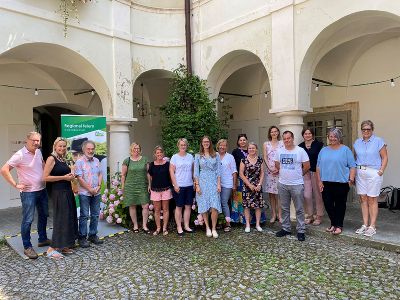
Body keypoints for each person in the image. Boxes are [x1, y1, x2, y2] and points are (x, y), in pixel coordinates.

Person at [1, 132, 50, 259]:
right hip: (29, 193)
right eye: (33, 140)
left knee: (44, 214)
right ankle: (27, 247)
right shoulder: (20, 155)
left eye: (38, 140)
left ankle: (43, 238)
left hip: (42, 190)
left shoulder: (38, 152)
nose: (36, 143)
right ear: (27, 140)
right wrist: (15, 184)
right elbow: (4, 169)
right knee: (28, 219)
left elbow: (43, 164)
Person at [43, 137, 78, 259]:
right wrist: (64, 177)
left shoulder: (62, 159)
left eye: (64, 146)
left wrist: (71, 176)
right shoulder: (51, 158)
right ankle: (51, 249)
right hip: (58, 192)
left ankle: (63, 245)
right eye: (60, 146)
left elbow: (65, 176)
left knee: (68, 217)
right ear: (55, 146)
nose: (62, 148)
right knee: (61, 219)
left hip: (67, 191)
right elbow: (45, 177)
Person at [317, 128, 356, 235]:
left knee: (340, 205)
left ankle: (339, 225)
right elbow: (318, 167)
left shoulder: (345, 150)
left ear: (339, 137)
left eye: (335, 136)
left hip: (341, 183)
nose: (332, 138)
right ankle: (333, 223)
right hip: (326, 183)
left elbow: (352, 166)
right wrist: (319, 181)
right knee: (328, 205)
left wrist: (351, 180)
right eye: (330, 136)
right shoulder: (323, 150)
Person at [353, 120, 388, 237]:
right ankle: (365, 224)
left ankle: (372, 226)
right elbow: (355, 157)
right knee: (363, 198)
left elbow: (385, 157)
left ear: (372, 130)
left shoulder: (379, 141)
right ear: (361, 130)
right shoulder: (357, 142)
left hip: (374, 172)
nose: (366, 131)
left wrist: (381, 171)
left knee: (372, 199)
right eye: (364, 129)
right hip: (360, 171)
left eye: (368, 129)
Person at [275, 131, 310, 241]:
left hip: (297, 184)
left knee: (299, 209)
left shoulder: (300, 151)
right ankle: (286, 228)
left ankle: (301, 230)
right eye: (284, 139)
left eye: (288, 138)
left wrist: (299, 175)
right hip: (283, 184)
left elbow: (307, 166)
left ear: (292, 138)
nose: (287, 140)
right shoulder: (279, 151)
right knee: (285, 208)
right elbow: (277, 164)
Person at [75, 140, 104, 247]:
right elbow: (79, 178)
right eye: (88, 149)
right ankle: (82, 237)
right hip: (84, 194)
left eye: (92, 149)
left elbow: (100, 173)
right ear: (83, 149)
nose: (91, 151)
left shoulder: (97, 160)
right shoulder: (79, 162)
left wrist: (99, 186)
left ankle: (92, 235)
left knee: (95, 215)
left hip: (96, 193)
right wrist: (90, 189)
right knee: (84, 215)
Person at [194, 136, 222, 238]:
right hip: (202, 182)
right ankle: (207, 227)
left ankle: (214, 228)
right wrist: (197, 185)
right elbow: (196, 172)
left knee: (214, 206)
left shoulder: (216, 155)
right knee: (204, 206)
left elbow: (219, 171)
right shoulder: (198, 156)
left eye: (207, 142)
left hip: (213, 181)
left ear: (210, 143)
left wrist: (219, 184)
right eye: (204, 142)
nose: (206, 143)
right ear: (201, 143)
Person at [121, 142, 150, 234]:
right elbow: (123, 175)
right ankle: (135, 225)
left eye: (138, 148)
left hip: (142, 185)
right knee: (132, 205)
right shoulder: (127, 160)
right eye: (135, 148)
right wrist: (123, 186)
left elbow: (148, 173)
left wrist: (150, 184)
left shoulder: (145, 159)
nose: (136, 150)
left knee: (145, 205)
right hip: (130, 186)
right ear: (131, 150)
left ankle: (145, 226)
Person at [298, 128, 324, 226]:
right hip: (305, 172)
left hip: (316, 172)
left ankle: (319, 216)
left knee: (318, 195)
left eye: (309, 133)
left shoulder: (319, 145)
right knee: (306, 195)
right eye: (305, 133)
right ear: (303, 135)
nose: (307, 135)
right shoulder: (300, 146)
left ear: (312, 135)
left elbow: (322, 159)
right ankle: (309, 215)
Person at [169, 138, 194, 236]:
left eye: (184, 145)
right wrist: (175, 184)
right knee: (179, 207)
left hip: (189, 185)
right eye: (181, 145)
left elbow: (193, 171)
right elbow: (171, 171)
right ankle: (179, 227)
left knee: (188, 206)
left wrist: (194, 183)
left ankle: (186, 226)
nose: (183, 146)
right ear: (178, 146)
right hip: (179, 186)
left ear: (187, 146)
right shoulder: (174, 157)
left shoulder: (190, 157)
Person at [240, 142, 265, 233]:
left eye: (253, 148)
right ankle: (247, 224)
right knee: (247, 206)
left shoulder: (260, 160)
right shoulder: (244, 160)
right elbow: (241, 174)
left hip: (257, 186)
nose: (251, 150)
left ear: (256, 149)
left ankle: (257, 224)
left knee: (258, 206)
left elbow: (262, 173)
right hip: (247, 186)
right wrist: (249, 184)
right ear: (248, 150)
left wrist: (259, 184)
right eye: (250, 148)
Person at [148, 146, 172, 236]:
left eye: (160, 153)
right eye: (157, 153)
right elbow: (150, 176)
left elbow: (171, 175)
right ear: (155, 154)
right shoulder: (152, 165)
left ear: (163, 153)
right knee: (157, 210)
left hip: (166, 189)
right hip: (155, 190)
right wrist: (149, 186)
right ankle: (158, 228)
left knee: (166, 209)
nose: (159, 154)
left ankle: (165, 228)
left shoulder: (167, 164)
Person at [262, 126, 284, 223]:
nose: (274, 133)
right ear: (269, 133)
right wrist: (270, 168)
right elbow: (265, 157)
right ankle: (273, 214)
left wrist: (278, 168)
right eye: (272, 132)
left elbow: (284, 156)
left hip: (280, 171)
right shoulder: (266, 144)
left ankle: (280, 215)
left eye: (275, 131)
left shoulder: (282, 143)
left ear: (278, 133)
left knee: (279, 194)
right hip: (270, 171)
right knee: (271, 194)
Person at [216, 139, 237, 232]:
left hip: (227, 183)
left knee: (224, 202)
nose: (222, 147)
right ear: (218, 146)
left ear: (226, 147)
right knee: (216, 203)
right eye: (220, 145)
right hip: (216, 183)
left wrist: (234, 185)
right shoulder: (214, 155)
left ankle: (228, 223)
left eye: (224, 145)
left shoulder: (230, 157)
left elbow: (234, 171)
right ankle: (220, 222)